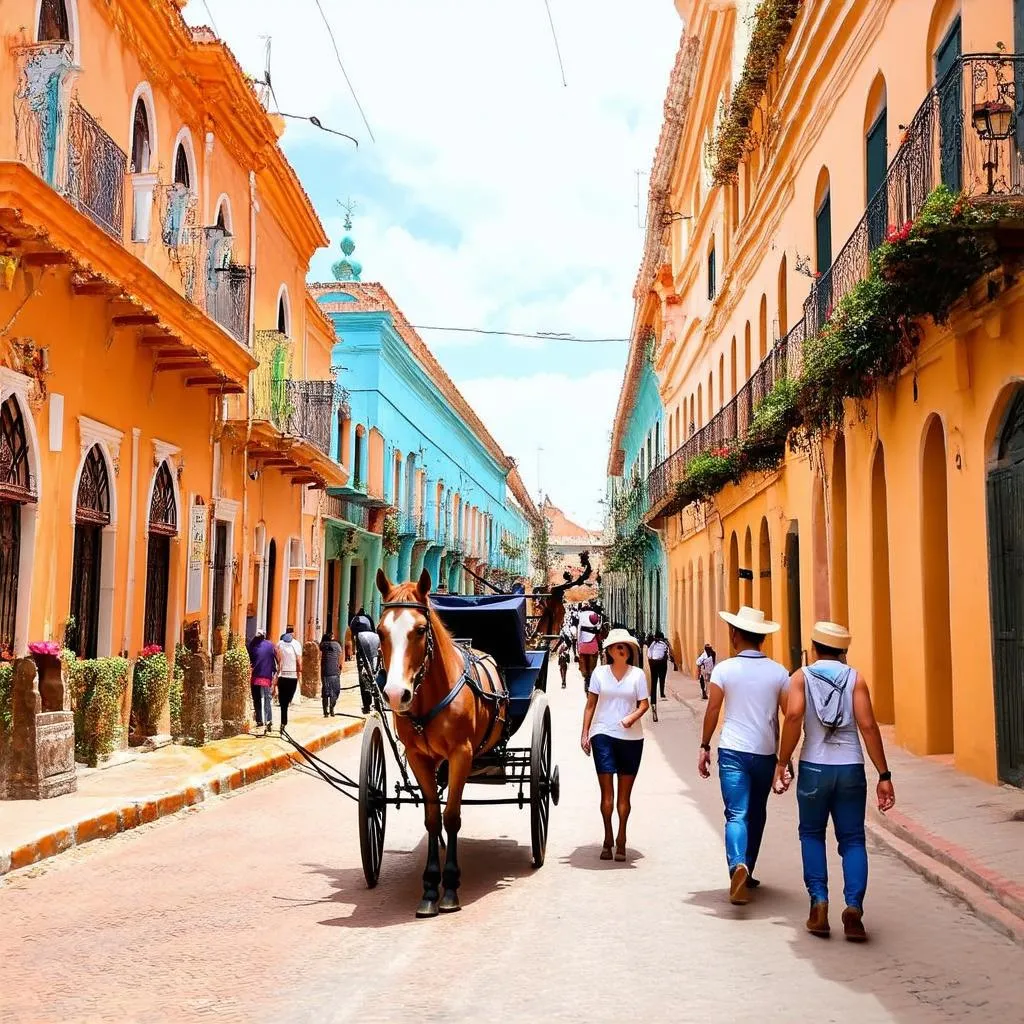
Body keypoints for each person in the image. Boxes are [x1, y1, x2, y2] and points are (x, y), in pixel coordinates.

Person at [774, 621, 896, 942]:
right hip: (851, 768)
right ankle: (853, 908)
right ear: (843, 652)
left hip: (814, 767)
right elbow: (868, 727)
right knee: (853, 839)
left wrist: (782, 761)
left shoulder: (801, 677)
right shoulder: (855, 678)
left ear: (813, 648)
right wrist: (884, 775)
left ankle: (819, 904)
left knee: (812, 834)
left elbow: (795, 716)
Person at [698, 606, 789, 905]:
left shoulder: (724, 669)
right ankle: (747, 870)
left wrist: (704, 746)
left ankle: (737, 863)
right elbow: (791, 715)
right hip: (764, 752)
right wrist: (785, 760)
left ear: (736, 634)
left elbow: (713, 710)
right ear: (762, 638)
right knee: (757, 812)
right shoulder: (778, 672)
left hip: (733, 750)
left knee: (736, 812)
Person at [581, 628, 650, 862]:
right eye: (617, 646)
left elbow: (644, 704)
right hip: (603, 734)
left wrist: (632, 717)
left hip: (631, 738)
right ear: (609, 651)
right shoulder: (599, 674)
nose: (622, 650)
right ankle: (607, 836)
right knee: (607, 794)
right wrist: (585, 733)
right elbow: (590, 705)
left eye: (626, 647)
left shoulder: (637, 675)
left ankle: (621, 837)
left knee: (624, 797)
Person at [247, 630, 279, 735]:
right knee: (267, 699)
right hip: (266, 676)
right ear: (264, 636)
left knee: (257, 699)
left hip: (256, 676)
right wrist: (276, 673)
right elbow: (277, 658)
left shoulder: (252, 645)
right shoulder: (270, 645)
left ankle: (259, 720)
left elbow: (250, 660)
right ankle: (268, 720)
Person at [275, 625, 303, 733]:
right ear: (293, 633)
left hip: (282, 676)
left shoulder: (279, 643)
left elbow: (278, 658)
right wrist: (300, 672)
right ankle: (283, 722)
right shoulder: (296, 644)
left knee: (284, 702)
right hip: (292, 676)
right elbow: (299, 661)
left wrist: (279, 670)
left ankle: (283, 722)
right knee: (287, 699)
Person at [349, 608, 377, 714]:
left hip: (363, 651)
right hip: (374, 649)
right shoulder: (369, 620)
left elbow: (353, 636)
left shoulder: (355, 621)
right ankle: (377, 702)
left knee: (363, 680)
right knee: (375, 676)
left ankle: (366, 705)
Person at [647, 629, 672, 722]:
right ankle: (662, 692)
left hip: (653, 664)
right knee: (662, 678)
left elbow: (649, 655)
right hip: (662, 664)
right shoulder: (664, 644)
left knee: (653, 684)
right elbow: (669, 654)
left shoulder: (652, 644)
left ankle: (653, 703)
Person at [577, 608, 603, 693]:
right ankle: (590, 682)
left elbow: (578, 635)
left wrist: (578, 647)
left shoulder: (581, 620)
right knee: (592, 668)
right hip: (593, 647)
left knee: (584, 669)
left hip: (583, 647)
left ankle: (586, 680)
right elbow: (599, 636)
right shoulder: (595, 620)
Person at [319, 630, 343, 717]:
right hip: (334, 672)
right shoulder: (337, 645)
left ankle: (325, 711)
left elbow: (320, 652)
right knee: (335, 691)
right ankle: (332, 709)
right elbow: (340, 658)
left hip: (324, 672)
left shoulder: (322, 645)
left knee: (325, 692)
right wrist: (340, 667)